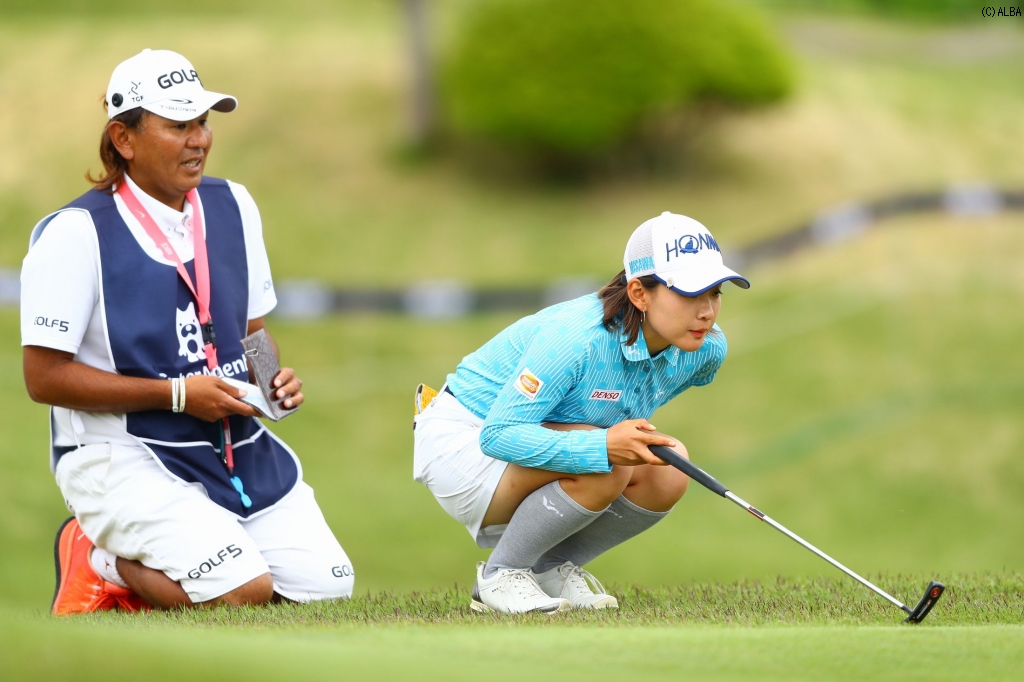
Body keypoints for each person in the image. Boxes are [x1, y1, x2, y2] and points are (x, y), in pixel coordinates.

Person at [21, 49, 354, 614]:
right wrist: (177, 395)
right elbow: (43, 378)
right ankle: (97, 559)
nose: (199, 138)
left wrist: (271, 382)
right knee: (241, 592)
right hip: (118, 454)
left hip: (227, 444)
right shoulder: (74, 234)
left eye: (202, 122)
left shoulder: (234, 205)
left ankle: (192, 556)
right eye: (178, 125)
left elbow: (252, 331)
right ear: (124, 140)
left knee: (326, 590)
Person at [413, 212, 749, 613]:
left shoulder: (705, 349)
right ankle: (501, 575)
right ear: (640, 294)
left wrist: (607, 439)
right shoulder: (577, 338)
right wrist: (601, 442)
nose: (708, 311)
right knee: (609, 459)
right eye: (691, 294)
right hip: (462, 441)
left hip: (525, 440)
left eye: (715, 293)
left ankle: (548, 569)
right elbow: (498, 433)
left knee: (668, 467)